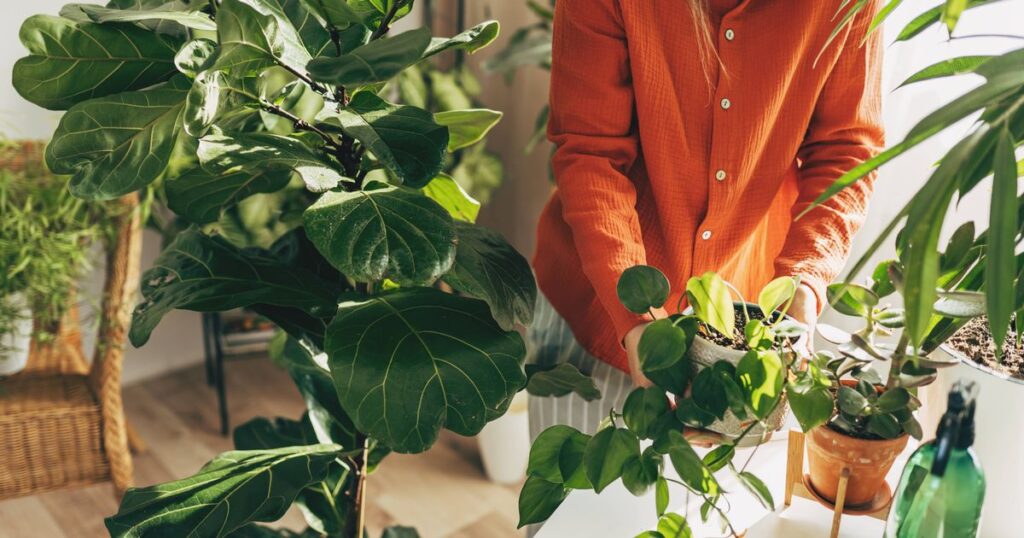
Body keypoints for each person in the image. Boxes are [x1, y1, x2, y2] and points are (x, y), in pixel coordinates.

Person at [528, 0, 884, 442]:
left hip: (737, 336)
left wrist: (804, 285)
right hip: (592, 312)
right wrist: (637, 320)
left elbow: (846, 149)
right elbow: (590, 152)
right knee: (573, 487)